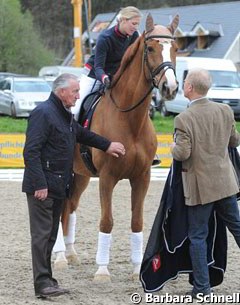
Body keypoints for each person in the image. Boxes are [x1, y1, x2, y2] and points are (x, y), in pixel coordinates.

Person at [22, 73, 125, 299]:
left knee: (50, 235)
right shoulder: (43, 113)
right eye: (75, 92)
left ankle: (47, 279)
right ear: (61, 92)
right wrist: (39, 184)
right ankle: (41, 284)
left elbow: (83, 134)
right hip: (43, 188)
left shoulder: (66, 115)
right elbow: (31, 152)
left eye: (79, 91)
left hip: (60, 186)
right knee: (41, 236)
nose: (79, 96)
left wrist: (108, 145)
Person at [171, 68, 240, 298]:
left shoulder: (184, 118)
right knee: (238, 229)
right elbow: (234, 140)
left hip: (201, 187)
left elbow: (182, 153)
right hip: (225, 182)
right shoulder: (225, 110)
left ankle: (202, 288)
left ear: (189, 88)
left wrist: (171, 147)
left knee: (198, 237)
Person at [71, 6, 142, 120]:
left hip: (114, 75)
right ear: (123, 20)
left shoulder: (134, 35)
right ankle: (71, 133)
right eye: (133, 23)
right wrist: (104, 78)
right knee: (76, 108)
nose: (136, 27)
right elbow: (99, 67)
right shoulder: (105, 38)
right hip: (94, 75)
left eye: (138, 24)